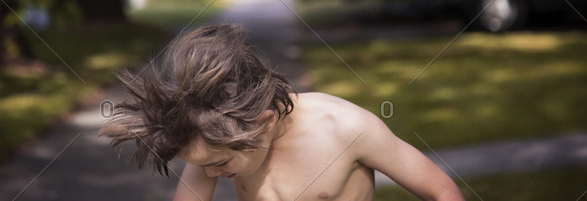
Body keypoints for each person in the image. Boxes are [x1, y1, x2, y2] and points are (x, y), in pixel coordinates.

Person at [100, 24, 466, 201]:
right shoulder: (217, 141)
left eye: (219, 164)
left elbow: (442, 191)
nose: (209, 172)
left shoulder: (346, 129)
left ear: (264, 123)